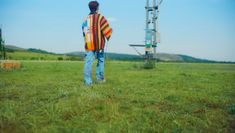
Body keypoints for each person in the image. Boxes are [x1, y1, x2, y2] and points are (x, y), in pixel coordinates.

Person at [82, 1, 112, 85]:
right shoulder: (100, 18)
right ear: (97, 8)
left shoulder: (85, 19)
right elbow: (107, 30)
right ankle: (100, 79)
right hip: (99, 44)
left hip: (89, 44)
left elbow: (84, 32)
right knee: (101, 61)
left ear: (90, 8)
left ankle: (87, 82)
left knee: (88, 62)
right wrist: (110, 32)